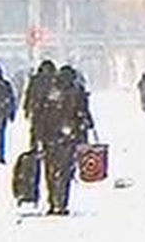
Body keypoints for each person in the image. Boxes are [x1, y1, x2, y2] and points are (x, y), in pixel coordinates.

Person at [32, 65, 95, 216]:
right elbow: (84, 116)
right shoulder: (76, 92)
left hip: (50, 137)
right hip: (69, 138)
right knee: (65, 171)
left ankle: (53, 201)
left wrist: (36, 137)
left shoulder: (50, 91)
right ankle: (62, 202)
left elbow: (39, 115)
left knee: (50, 170)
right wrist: (84, 132)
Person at [24, 60, 58, 148]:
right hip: (51, 111)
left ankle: (35, 150)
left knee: (36, 132)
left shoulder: (35, 80)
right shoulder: (55, 79)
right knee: (50, 134)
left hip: (37, 110)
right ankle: (48, 149)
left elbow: (29, 94)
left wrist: (27, 109)